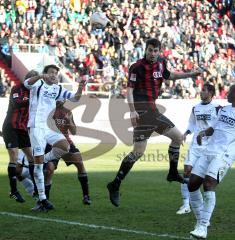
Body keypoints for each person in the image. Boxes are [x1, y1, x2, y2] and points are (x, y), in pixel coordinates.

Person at [107, 38, 202, 207]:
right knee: (175, 138)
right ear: (146, 50)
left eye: (155, 51)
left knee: (139, 151)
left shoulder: (161, 63)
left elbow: (170, 75)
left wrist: (190, 74)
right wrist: (132, 109)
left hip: (153, 110)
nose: (152, 53)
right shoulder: (137, 67)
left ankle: (115, 183)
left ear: (159, 51)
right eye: (150, 50)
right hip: (143, 111)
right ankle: (171, 173)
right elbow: (129, 90)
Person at [24, 64, 86, 211]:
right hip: (36, 127)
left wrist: (80, 87)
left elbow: (76, 98)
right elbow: (26, 83)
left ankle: (42, 159)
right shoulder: (37, 84)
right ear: (45, 74)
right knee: (39, 167)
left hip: (48, 127)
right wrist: (39, 76)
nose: (54, 75)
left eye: (56, 74)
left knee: (65, 146)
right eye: (51, 72)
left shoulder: (57, 89)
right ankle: (43, 199)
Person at [188, 84, 235, 239]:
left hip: (224, 154)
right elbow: (213, 128)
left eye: (230, 92)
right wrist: (202, 133)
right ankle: (202, 219)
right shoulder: (224, 109)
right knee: (192, 183)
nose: (227, 93)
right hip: (209, 150)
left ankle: (202, 227)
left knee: (208, 184)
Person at [176, 83, 221, 215]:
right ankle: (185, 205)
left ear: (211, 93)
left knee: (205, 180)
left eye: (204, 90)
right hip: (196, 145)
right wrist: (185, 133)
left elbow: (218, 126)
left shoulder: (218, 108)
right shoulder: (195, 108)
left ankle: (201, 206)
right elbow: (192, 123)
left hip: (209, 147)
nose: (201, 92)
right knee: (187, 172)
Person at [43, 100, 91, 205]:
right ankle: (45, 201)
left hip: (66, 142)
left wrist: (69, 122)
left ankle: (86, 196)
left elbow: (74, 132)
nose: (61, 100)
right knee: (49, 170)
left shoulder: (68, 111)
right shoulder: (47, 109)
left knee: (79, 162)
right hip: (51, 143)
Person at [2, 70, 39, 203]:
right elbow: (17, 102)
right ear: (28, 80)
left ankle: (35, 188)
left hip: (23, 129)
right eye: (33, 80)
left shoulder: (35, 92)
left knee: (31, 157)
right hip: (11, 126)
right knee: (14, 156)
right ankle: (13, 191)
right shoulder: (17, 88)